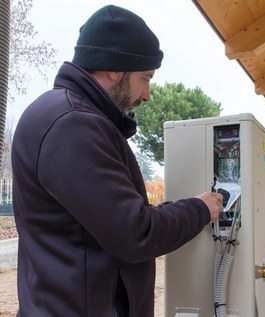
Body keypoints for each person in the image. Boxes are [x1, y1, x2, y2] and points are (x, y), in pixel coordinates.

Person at [11, 5, 223, 317]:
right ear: (115, 69)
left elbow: (110, 221)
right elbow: (135, 233)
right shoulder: (73, 125)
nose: (147, 94)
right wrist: (200, 209)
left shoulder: (66, 115)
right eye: (145, 78)